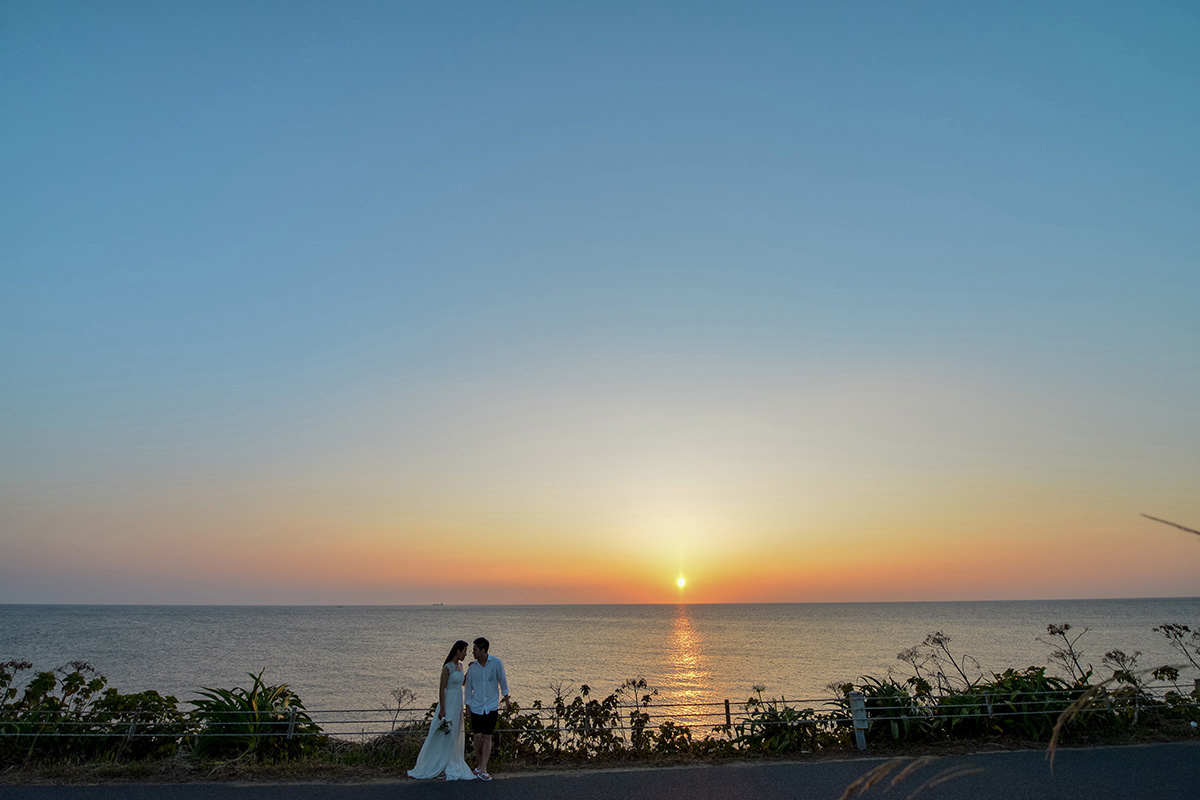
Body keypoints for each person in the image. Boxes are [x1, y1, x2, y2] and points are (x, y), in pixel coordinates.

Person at [407, 640, 477, 780]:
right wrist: (442, 708)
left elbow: (461, 682)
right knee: (444, 732)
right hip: (448, 701)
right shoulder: (447, 668)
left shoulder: (460, 666)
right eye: (464, 651)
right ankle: (436, 763)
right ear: (457, 651)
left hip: (457, 701)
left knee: (454, 732)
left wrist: (470, 670)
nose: (465, 654)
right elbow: (442, 688)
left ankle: (449, 761)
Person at [464, 636, 510, 781]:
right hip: (477, 706)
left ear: (483, 650)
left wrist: (507, 699)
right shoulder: (472, 668)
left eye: (475, 650)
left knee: (488, 736)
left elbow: (502, 680)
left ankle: (483, 768)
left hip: (491, 706)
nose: (473, 653)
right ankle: (480, 764)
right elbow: (468, 688)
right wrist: (468, 708)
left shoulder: (496, 663)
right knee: (477, 737)